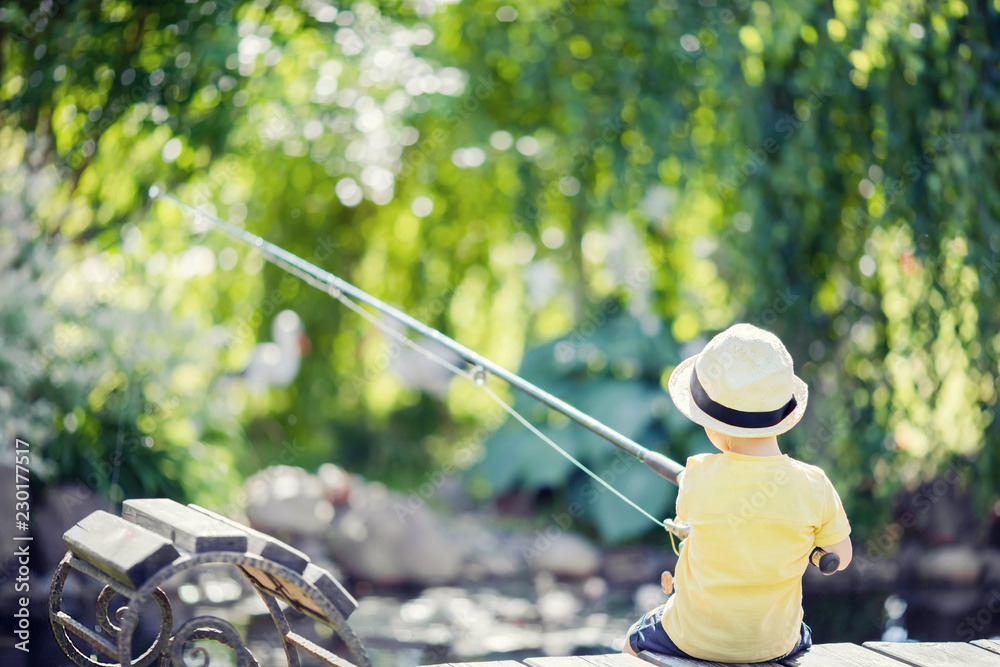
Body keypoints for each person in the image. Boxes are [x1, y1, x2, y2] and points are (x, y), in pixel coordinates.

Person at [624, 323, 853, 662]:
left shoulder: (696, 475)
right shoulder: (814, 484)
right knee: (802, 633)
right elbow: (841, 557)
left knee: (631, 641)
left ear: (716, 425)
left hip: (693, 639)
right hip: (778, 644)